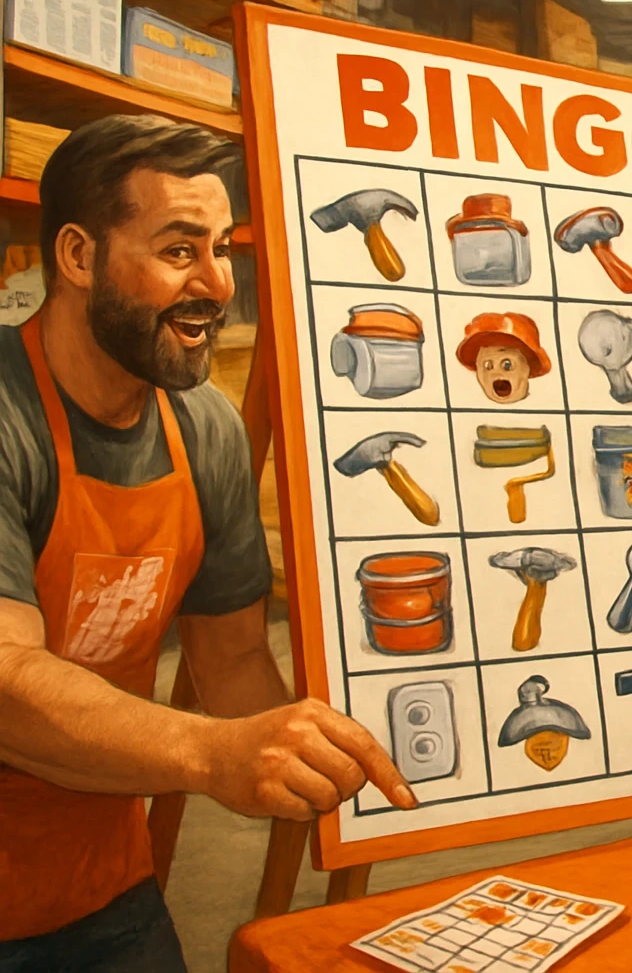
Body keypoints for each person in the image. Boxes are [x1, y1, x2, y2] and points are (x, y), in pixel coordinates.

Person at [0, 116, 413, 969]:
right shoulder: (9, 416)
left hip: (98, 876)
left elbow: (229, 666)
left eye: (224, 249)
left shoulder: (206, 430)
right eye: (180, 250)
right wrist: (211, 752)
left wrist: (325, 753)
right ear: (78, 257)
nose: (217, 282)